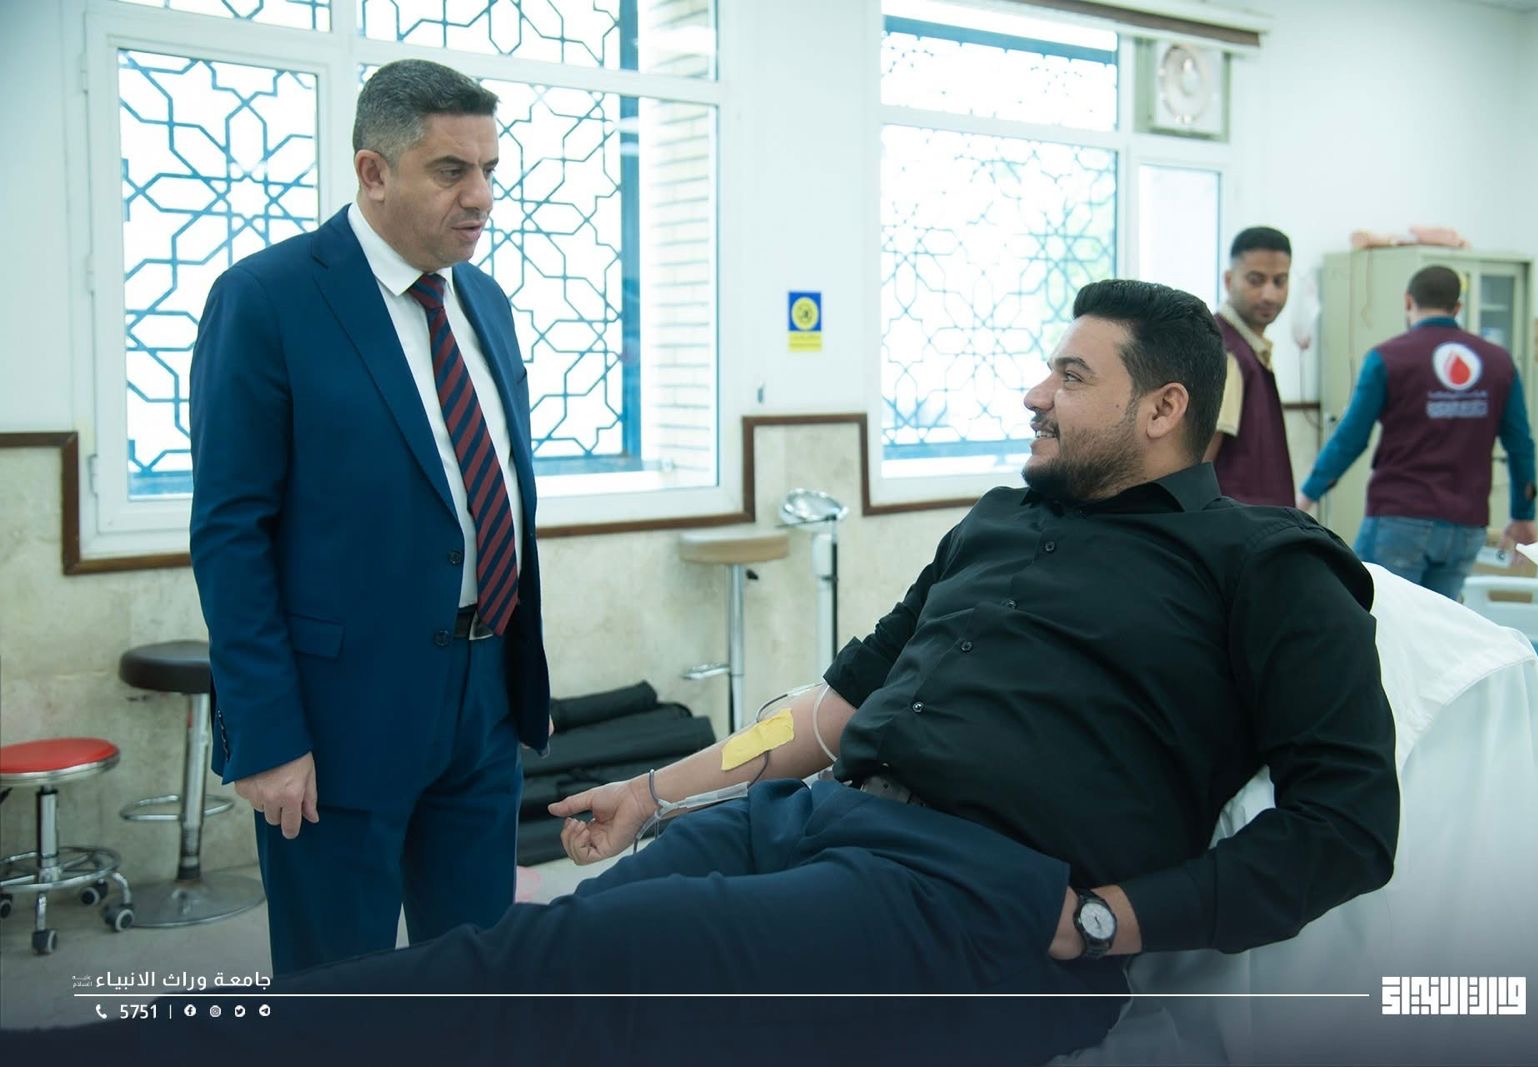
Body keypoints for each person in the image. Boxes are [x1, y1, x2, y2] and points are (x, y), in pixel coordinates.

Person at [66, 279, 1392, 1065]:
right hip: (800, 820)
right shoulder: (1001, 521)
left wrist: (1108, 922)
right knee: (516, 954)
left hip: (971, 893)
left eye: (1069, 373)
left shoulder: (1266, 563)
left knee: (564, 969)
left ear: (1162, 408)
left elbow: (1345, 826)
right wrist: (662, 787)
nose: (1033, 392)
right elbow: (830, 711)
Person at [189, 59, 551, 975]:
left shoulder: (485, 301)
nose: (482, 196)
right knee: (337, 989)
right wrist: (267, 733)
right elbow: (231, 532)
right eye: (451, 170)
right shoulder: (267, 299)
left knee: (476, 969)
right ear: (373, 171)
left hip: (482, 696)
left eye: (490, 169)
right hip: (337, 716)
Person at [1295, 265, 1538, 601]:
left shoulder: (1387, 358)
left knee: (1377, 618)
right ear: (1457, 307)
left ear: (1408, 301)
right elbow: (1520, 444)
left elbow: (1350, 438)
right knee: (1438, 624)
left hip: (1399, 519)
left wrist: (1307, 495)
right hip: (1466, 525)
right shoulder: (1499, 362)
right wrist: (1523, 514)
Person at [1206, 226, 1296, 505]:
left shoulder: (1248, 349)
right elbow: (1199, 463)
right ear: (1228, 280)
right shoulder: (1227, 353)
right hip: (1232, 523)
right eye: (1256, 280)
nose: (1270, 295)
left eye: (1280, 281)